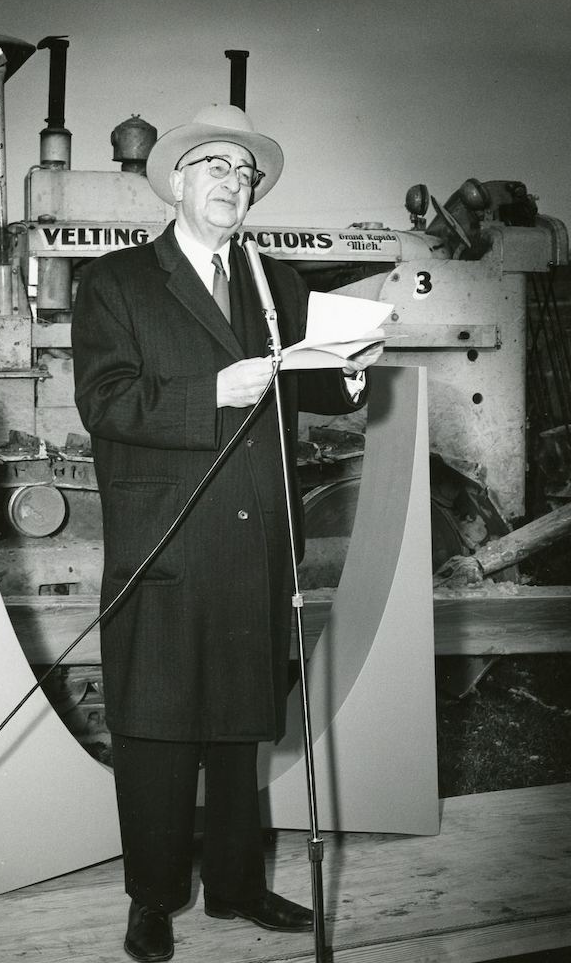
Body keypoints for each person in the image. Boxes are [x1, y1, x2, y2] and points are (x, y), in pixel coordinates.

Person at [71, 104, 382, 962]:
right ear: (176, 181)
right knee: (158, 728)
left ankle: (238, 888)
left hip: (253, 539)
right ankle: (154, 899)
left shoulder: (272, 282)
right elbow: (104, 403)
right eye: (214, 165)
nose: (231, 182)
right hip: (165, 542)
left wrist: (351, 372)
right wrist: (213, 391)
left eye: (244, 173)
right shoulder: (118, 283)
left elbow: (307, 386)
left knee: (239, 725)